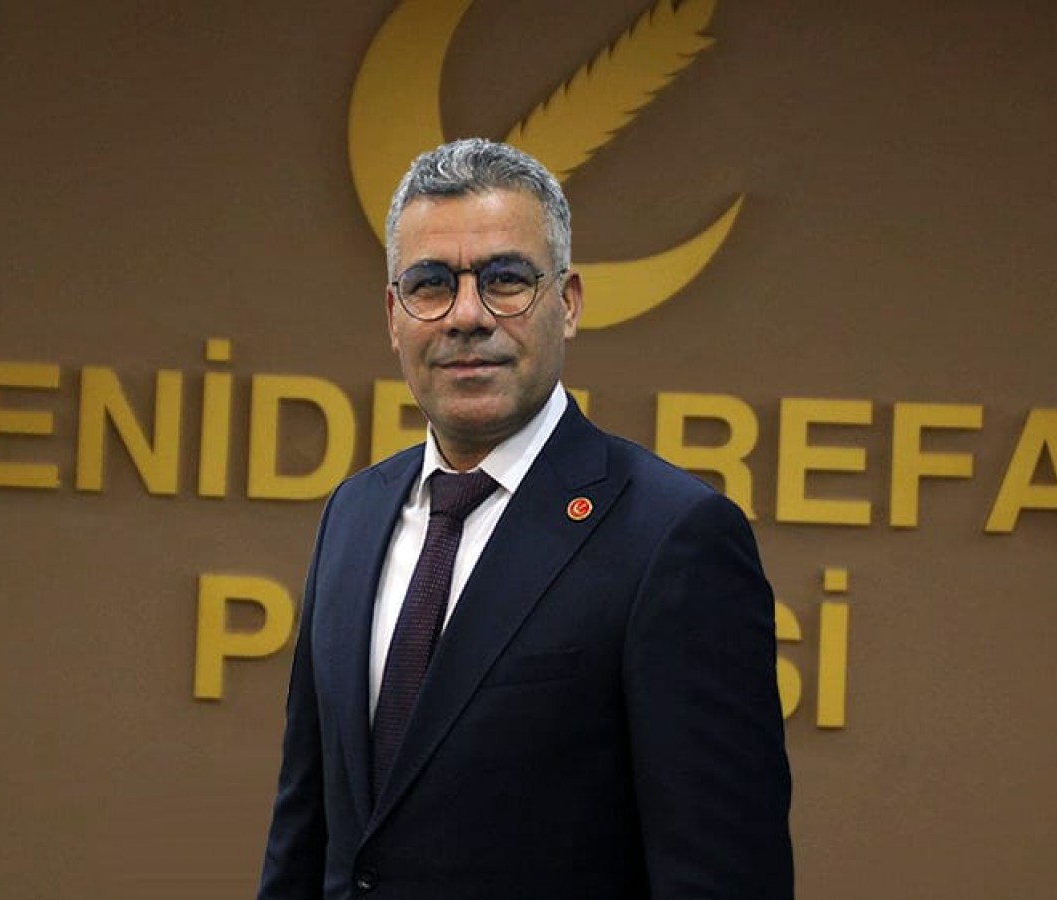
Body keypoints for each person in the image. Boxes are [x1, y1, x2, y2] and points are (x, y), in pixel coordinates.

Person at [257, 138, 793, 899]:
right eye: (431, 284)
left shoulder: (672, 537)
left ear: (567, 303)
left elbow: (723, 877)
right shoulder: (354, 513)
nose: (467, 316)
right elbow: (305, 838)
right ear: (393, 315)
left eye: (505, 280)